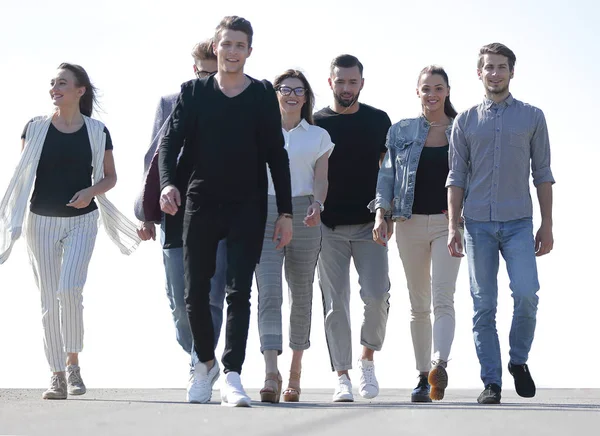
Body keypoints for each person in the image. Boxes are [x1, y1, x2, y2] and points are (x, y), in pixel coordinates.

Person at [158, 16, 293, 407]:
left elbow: (276, 156)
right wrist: (169, 184)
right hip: (199, 203)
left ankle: (232, 374)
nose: (233, 51)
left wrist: (284, 212)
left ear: (249, 51)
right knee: (194, 292)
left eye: (240, 45)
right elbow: (169, 145)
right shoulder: (194, 92)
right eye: (227, 44)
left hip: (247, 205)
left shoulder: (262, 94)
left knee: (239, 292)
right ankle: (204, 364)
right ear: (215, 47)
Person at [0, 63, 140, 399]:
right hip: (41, 221)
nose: (54, 88)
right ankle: (57, 375)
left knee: (70, 289)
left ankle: (73, 362)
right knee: (49, 300)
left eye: (62, 83)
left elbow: (110, 177)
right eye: (52, 83)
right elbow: (22, 176)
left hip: (82, 221)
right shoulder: (34, 128)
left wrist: (90, 192)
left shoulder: (97, 130)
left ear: (80, 90)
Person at [446, 43, 555, 404]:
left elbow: (542, 173)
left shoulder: (532, 117)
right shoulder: (464, 121)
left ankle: (518, 361)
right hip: (477, 225)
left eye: (501, 67)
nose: (495, 73)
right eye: (488, 67)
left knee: (526, 294)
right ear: (479, 72)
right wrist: (452, 227)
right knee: (483, 305)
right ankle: (491, 382)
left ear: (512, 71)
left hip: (519, 223)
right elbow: (456, 177)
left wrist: (547, 224)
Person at [371, 66, 462, 402]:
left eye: (438, 88)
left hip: (447, 224)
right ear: (417, 92)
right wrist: (382, 212)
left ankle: (440, 364)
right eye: (426, 89)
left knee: (443, 297)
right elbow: (387, 176)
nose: (432, 94)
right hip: (408, 223)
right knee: (418, 303)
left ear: (448, 90)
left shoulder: (461, 129)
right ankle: (423, 377)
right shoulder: (402, 130)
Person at [135, 39, 227, 360]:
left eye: (215, 76)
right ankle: (198, 356)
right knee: (179, 301)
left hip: (217, 215)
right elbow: (153, 160)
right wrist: (145, 214)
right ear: (194, 70)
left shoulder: (235, 105)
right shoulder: (170, 103)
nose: (209, 83)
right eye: (204, 75)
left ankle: (200, 364)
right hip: (173, 215)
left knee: (212, 298)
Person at [314, 54, 391, 402]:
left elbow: (388, 172)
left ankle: (366, 360)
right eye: (340, 82)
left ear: (362, 83)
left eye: (352, 81)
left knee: (376, 295)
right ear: (330, 83)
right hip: (326, 227)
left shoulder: (378, 121)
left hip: (369, 225)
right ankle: (342, 374)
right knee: (335, 304)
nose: (346, 88)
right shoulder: (315, 123)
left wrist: (384, 213)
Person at [255, 69, 334, 403]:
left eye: (298, 90)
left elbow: (321, 179)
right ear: (275, 94)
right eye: (284, 89)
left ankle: (295, 372)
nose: (291, 95)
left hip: (304, 212)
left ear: (306, 97)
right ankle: (270, 373)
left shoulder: (318, 136)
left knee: (301, 293)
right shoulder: (258, 131)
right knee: (269, 292)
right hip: (265, 210)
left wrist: (317, 204)